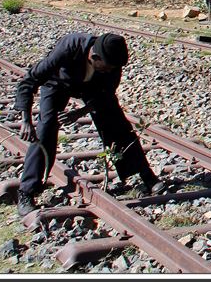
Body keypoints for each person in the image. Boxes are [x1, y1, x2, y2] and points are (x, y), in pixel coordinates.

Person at [14, 33, 163, 216]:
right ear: (94, 57)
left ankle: (146, 176)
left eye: (112, 69)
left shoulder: (112, 60)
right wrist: (25, 120)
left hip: (93, 88)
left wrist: (81, 111)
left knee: (119, 127)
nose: (110, 71)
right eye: (107, 68)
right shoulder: (68, 48)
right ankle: (27, 192)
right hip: (58, 83)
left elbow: (106, 95)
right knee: (45, 129)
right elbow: (29, 80)